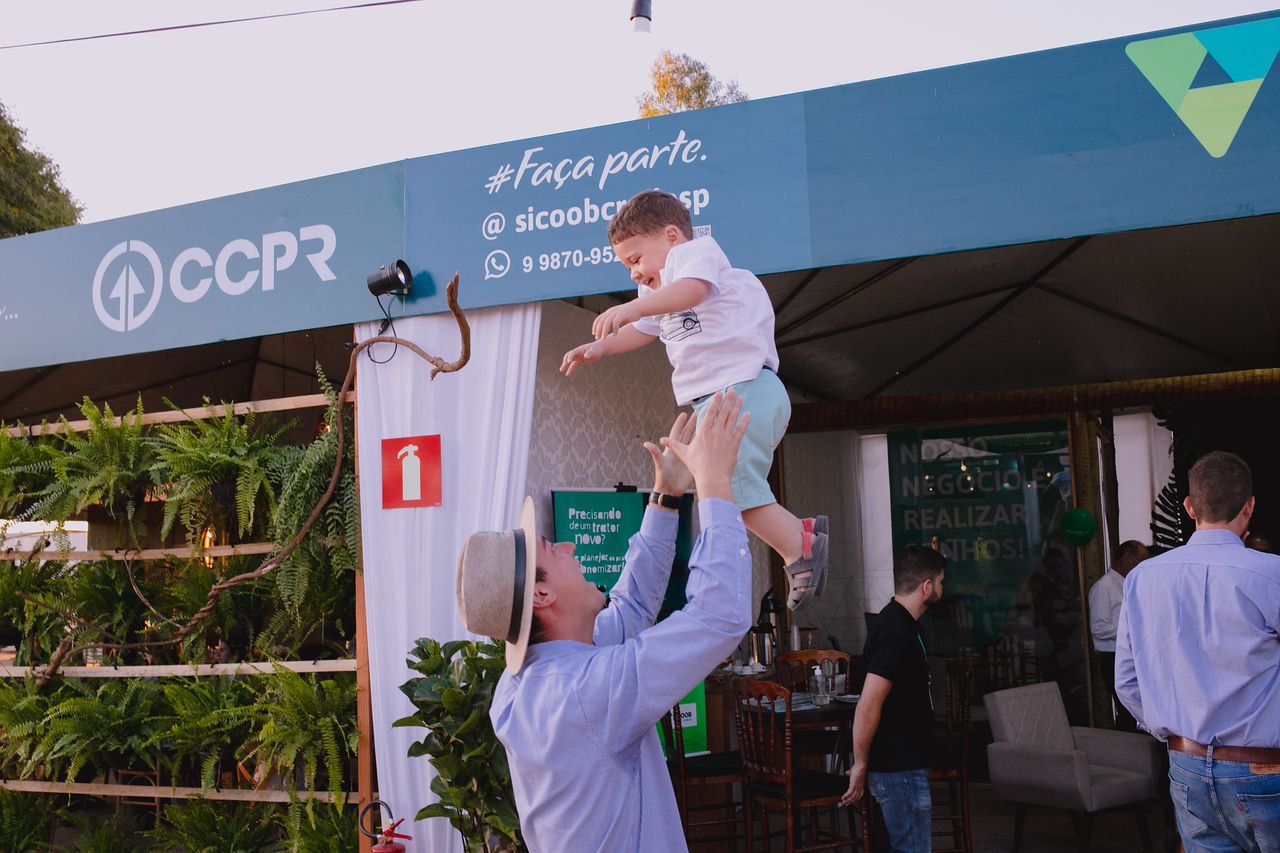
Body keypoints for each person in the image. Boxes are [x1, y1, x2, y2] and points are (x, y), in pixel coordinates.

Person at [455, 392, 753, 852]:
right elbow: (719, 615)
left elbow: (631, 608)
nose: (569, 546)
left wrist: (666, 498)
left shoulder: (523, 687)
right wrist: (714, 483)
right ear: (541, 595)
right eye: (553, 549)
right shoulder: (585, 692)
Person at [559, 189, 827, 610]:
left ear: (671, 236)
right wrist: (600, 348)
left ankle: (798, 545)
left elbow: (691, 291)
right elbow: (643, 329)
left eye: (636, 259)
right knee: (721, 492)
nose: (635, 274)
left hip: (741, 391)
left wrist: (633, 309)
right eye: (627, 267)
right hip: (725, 400)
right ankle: (800, 534)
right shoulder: (660, 293)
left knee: (729, 492)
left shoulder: (695, 256)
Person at [1116, 451, 1280, 853]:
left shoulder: (1142, 578)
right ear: (1249, 507)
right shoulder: (1271, 574)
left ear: (1190, 507)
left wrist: (1173, 732)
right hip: (1263, 767)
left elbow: (1126, 680)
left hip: (1186, 765)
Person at [841, 544, 947, 853]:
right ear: (926, 586)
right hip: (899, 769)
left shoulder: (901, 623)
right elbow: (868, 703)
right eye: (940, 582)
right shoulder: (896, 631)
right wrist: (860, 764)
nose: (942, 588)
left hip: (904, 764)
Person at [1087, 539, 1149, 732]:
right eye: (1140, 561)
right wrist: (1131, 630)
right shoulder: (1104, 587)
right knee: (1127, 710)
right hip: (1113, 658)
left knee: (1138, 709)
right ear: (1127, 558)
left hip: (1129, 656)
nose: (1142, 566)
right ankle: (1128, 748)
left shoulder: (1128, 585)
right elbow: (1098, 627)